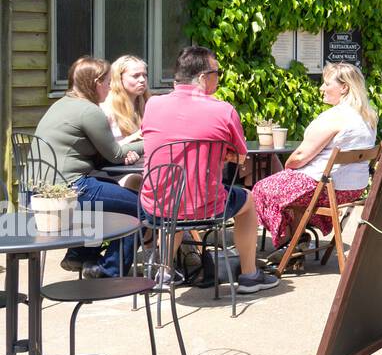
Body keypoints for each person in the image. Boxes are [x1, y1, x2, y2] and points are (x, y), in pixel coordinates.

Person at [139, 46, 280, 293]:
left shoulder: (152, 105)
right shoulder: (223, 110)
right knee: (247, 200)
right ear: (204, 77)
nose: (219, 77)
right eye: (217, 72)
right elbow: (240, 155)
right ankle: (249, 275)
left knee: (173, 204)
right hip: (205, 205)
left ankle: (164, 273)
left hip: (156, 205)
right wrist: (218, 152)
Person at [34, 56, 144, 277]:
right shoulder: (89, 111)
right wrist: (150, 141)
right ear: (96, 83)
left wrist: (125, 152)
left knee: (110, 198)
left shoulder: (62, 104)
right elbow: (114, 154)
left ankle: (80, 254)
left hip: (40, 189)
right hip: (70, 189)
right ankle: (110, 270)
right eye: (107, 82)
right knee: (141, 207)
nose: (110, 86)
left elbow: (103, 155)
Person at [252, 62, 378, 252]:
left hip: (325, 188)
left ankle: (290, 244)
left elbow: (301, 156)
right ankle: (298, 239)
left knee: (261, 189)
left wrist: (289, 166)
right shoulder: (367, 117)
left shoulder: (336, 116)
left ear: (344, 87)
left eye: (327, 84)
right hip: (353, 189)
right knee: (290, 191)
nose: (321, 88)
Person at [100, 55, 149, 191]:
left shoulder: (147, 105)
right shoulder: (106, 109)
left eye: (144, 75)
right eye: (135, 76)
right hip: (111, 171)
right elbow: (106, 151)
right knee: (136, 180)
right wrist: (131, 139)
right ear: (119, 78)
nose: (142, 80)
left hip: (139, 166)